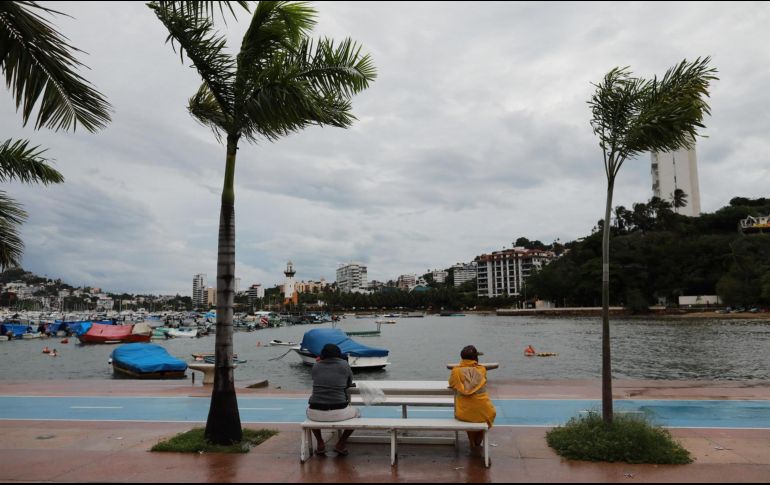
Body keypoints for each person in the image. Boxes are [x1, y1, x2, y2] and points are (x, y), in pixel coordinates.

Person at [306, 343, 360, 456]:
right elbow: (348, 383)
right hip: (339, 411)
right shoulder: (344, 364)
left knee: (310, 414)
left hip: (314, 411)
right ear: (339, 354)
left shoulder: (316, 366)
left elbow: (315, 379)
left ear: (322, 355)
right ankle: (341, 443)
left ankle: (320, 443)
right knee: (357, 414)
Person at [449, 345, 496, 448]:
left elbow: (452, 384)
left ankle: (472, 441)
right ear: (476, 358)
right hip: (483, 410)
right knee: (490, 414)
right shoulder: (482, 369)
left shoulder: (455, 371)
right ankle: (478, 440)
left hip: (463, 412)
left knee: (469, 414)